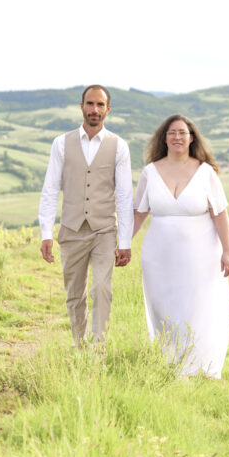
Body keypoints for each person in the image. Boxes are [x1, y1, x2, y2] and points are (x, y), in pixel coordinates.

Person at [132, 114, 229, 378]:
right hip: (159, 256)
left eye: (182, 133)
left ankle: (199, 365)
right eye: (172, 133)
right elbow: (139, 212)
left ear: (191, 138)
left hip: (200, 255)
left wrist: (228, 251)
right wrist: (122, 245)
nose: (177, 137)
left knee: (197, 307)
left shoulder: (205, 172)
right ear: (164, 138)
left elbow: (220, 213)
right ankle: (169, 365)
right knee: (163, 307)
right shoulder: (150, 172)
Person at [39, 85, 133, 347]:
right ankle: (79, 346)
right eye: (90, 104)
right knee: (74, 294)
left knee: (102, 289)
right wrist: (46, 233)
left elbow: (125, 195)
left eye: (100, 105)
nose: (94, 110)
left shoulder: (119, 146)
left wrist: (125, 241)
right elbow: (50, 189)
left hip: (104, 230)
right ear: (81, 106)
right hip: (71, 229)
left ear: (108, 109)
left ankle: (99, 348)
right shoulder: (61, 143)